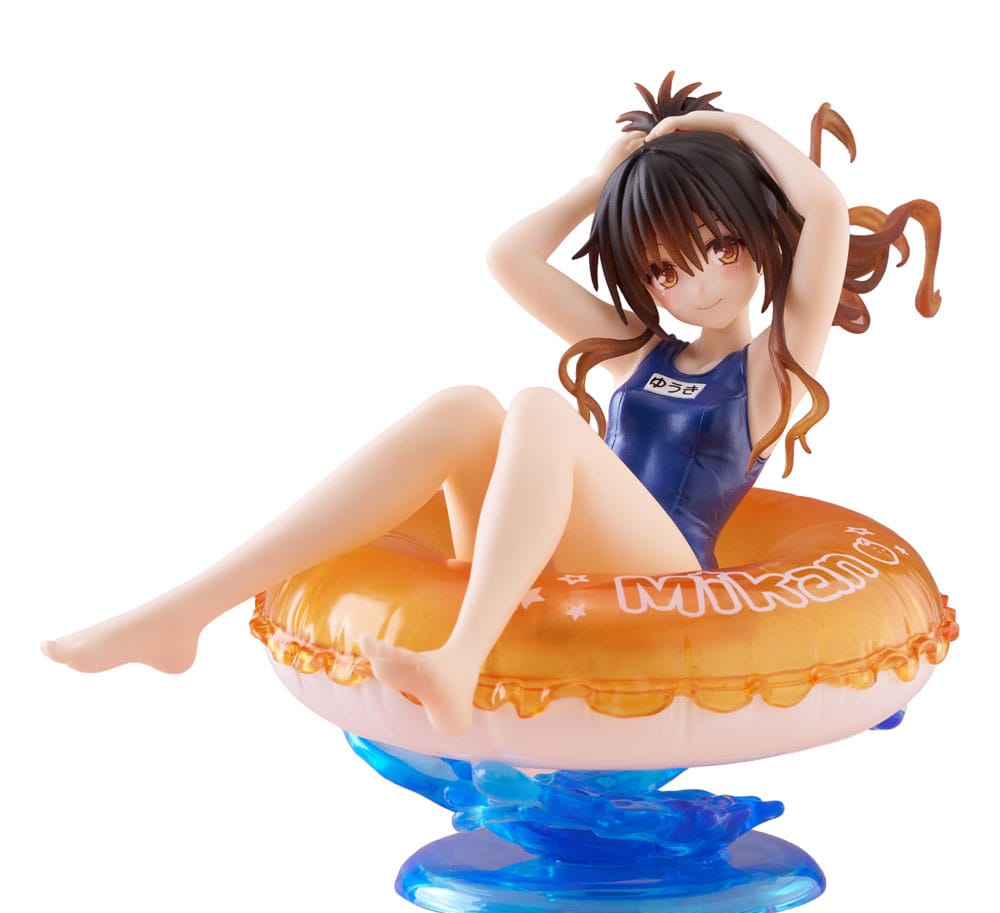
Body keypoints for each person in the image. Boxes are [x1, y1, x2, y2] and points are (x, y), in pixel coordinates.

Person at [42, 72, 939, 736]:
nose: (697, 282)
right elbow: (510, 259)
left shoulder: (773, 370)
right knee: (467, 408)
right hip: (569, 556)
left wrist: (732, 128)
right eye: (666, 267)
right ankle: (183, 613)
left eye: (721, 248)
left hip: (671, 576)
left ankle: (457, 662)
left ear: (757, 241)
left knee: (538, 409)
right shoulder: (642, 352)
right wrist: (606, 179)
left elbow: (824, 211)